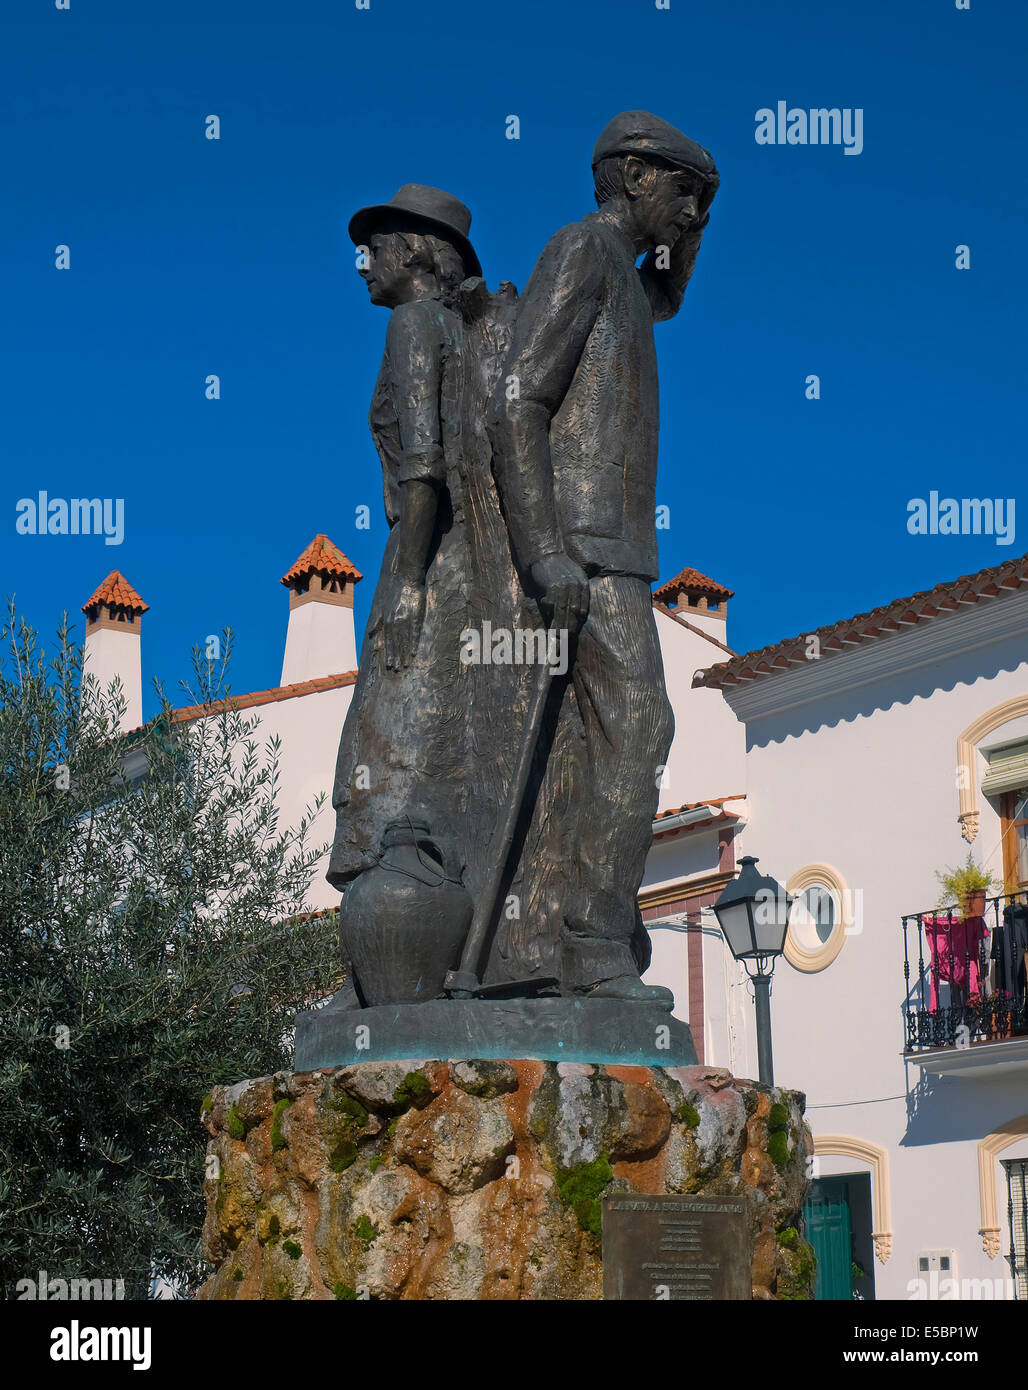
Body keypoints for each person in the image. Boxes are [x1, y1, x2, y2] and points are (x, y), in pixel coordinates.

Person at [489, 112, 719, 1004]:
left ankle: (567, 937)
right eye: (683, 192)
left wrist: (697, 226)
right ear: (634, 176)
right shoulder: (581, 253)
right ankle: (592, 941)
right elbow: (518, 400)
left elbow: (669, 292)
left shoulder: (626, 279)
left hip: (610, 550)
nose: (692, 212)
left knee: (595, 747)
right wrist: (545, 552)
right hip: (582, 551)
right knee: (642, 727)